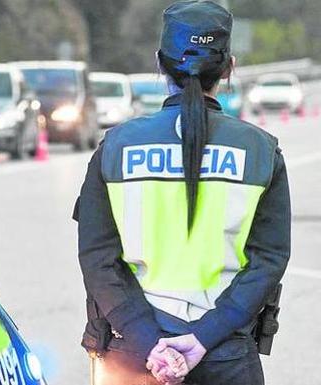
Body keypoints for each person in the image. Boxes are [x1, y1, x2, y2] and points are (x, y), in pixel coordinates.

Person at [75, 1, 291, 384]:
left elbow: (98, 260)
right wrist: (203, 337)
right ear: (229, 68)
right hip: (226, 353)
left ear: (160, 64)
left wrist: (149, 341)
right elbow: (267, 261)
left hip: (133, 355)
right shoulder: (260, 151)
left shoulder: (116, 148)